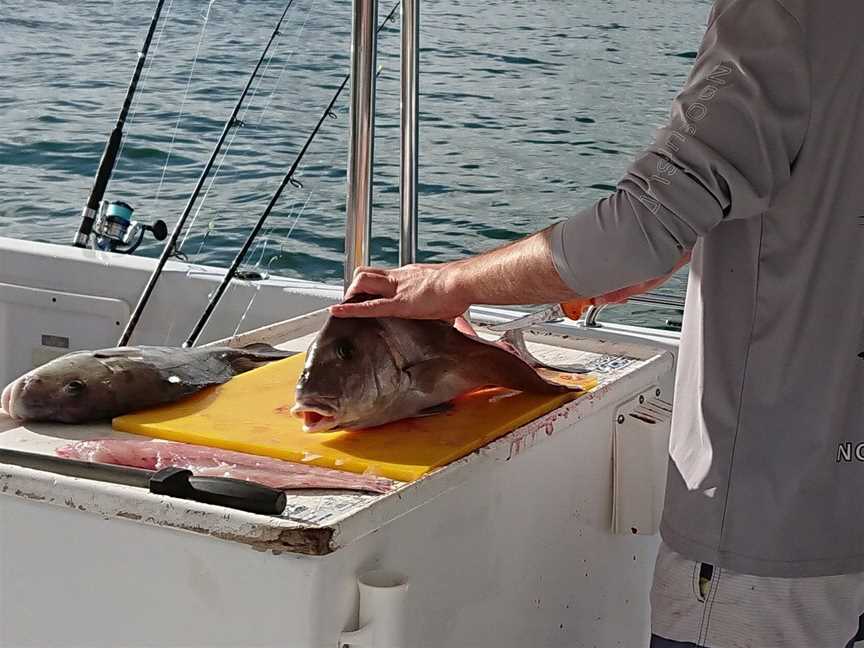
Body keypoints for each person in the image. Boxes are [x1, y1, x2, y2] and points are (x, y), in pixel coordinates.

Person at [334, 0, 864, 645]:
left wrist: (446, 284)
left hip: (778, 529)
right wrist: (707, 238)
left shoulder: (783, 14)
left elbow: (643, 225)